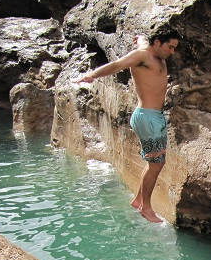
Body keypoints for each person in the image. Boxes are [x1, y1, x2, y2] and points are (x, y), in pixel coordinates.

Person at [73, 29, 180, 223]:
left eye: (174, 48)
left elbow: (142, 41)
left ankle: (139, 198)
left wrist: (140, 37)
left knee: (153, 163)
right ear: (157, 43)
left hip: (153, 117)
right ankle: (145, 207)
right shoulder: (142, 56)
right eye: (170, 47)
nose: (172, 52)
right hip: (147, 117)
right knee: (157, 164)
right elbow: (116, 65)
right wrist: (92, 75)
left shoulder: (149, 49)